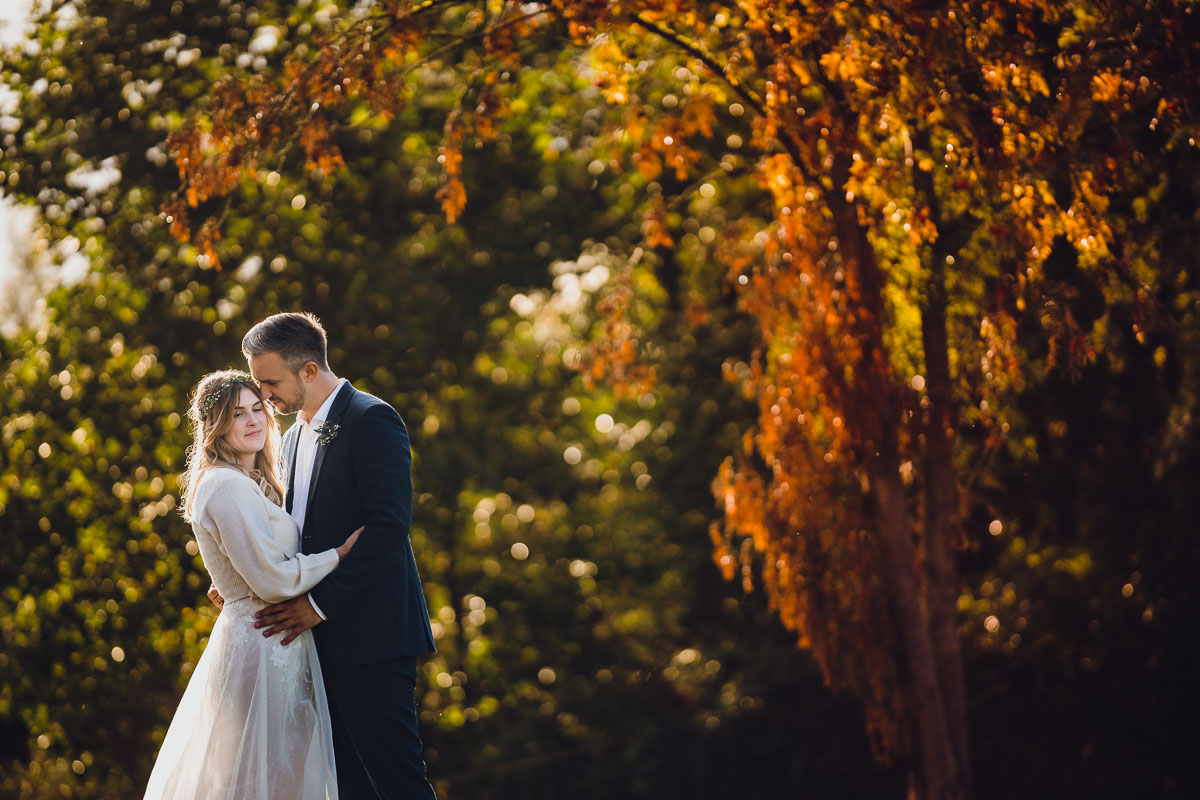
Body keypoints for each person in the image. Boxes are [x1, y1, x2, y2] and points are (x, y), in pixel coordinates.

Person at [241, 312, 437, 799]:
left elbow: (388, 527)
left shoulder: (372, 419)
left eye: (270, 382)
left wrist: (317, 606)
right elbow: (294, 535)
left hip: (373, 637)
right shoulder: (290, 438)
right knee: (345, 788)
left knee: (397, 783)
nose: (264, 396)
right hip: (314, 645)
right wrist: (248, 578)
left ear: (308, 371)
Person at [144, 370, 361, 799]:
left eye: (257, 408)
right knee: (266, 780)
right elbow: (271, 578)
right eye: (236, 413)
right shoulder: (225, 485)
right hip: (261, 641)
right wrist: (338, 555)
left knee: (284, 775)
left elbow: (249, 562)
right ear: (215, 427)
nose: (252, 420)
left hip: (275, 640)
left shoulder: (251, 484)